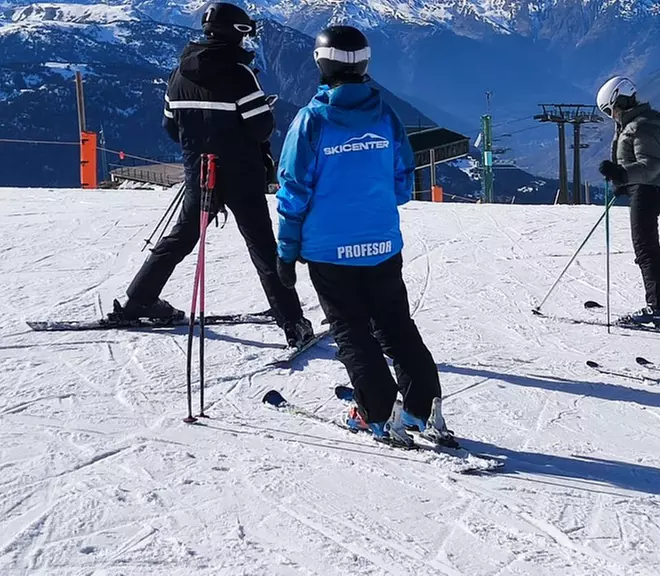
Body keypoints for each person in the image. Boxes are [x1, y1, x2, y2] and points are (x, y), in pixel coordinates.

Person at [274, 24, 449, 447]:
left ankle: (375, 410)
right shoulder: (385, 116)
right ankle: (421, 408)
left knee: (351, 329)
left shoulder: (312, 122)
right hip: (382, 244)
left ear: (321, 64)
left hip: (329, 252)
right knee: (395, 325)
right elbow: (403, 185)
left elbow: (293, 191)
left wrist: (286, 251)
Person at [117, 2, 314, 349]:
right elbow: (260, 129)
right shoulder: (240, 74)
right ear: (237, 33)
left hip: (199, 173)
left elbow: (170, 128)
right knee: (262, 247)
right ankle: (292, 322)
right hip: (241, 174)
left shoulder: (179, 73)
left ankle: (138, 301)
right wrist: (262, 112)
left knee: (180, 238)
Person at [595, 75, 660, 328]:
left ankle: (659, 308)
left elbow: (651, 165)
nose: (611, 115)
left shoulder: (643, 126)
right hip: (647, 188)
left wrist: (623, 175)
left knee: (645, 250)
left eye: (609, 110)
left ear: (618, 101)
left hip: (649, 189)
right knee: (650, 249)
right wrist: (624, 182)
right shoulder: (638, 124)